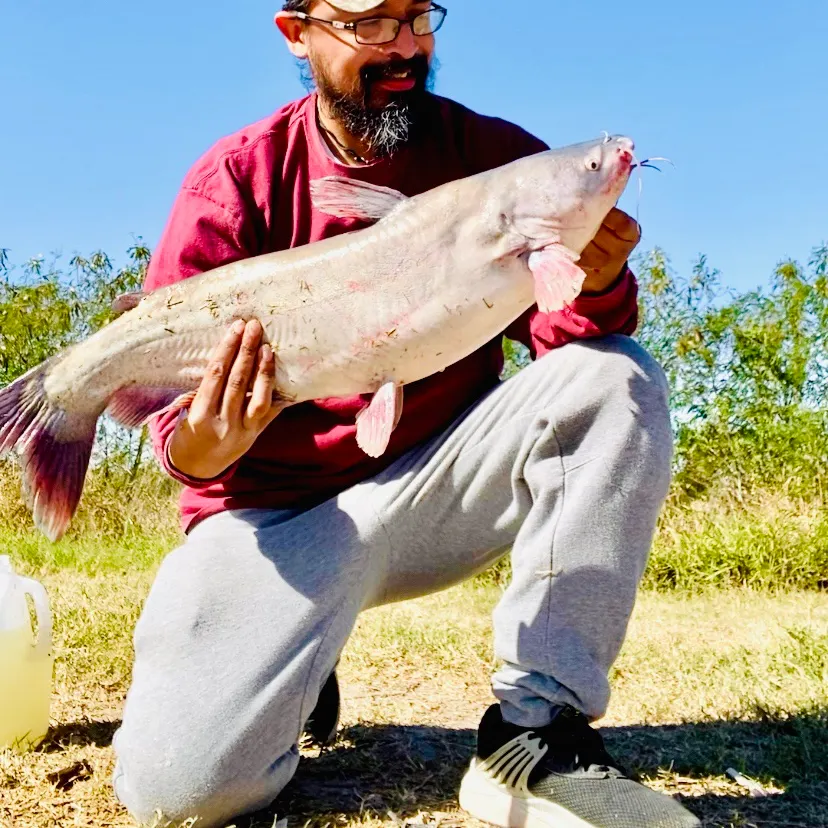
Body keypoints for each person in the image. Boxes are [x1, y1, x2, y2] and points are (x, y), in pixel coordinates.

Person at [111, 2, 700, 826]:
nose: (406, 48)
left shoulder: (497, 161)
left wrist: (599, 283)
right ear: (298, 32)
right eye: (372, 23)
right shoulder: (235, 179)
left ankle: (536, 738)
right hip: (275, 523)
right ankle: (296, 658)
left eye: (420, 18)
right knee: (180, 795)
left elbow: (568, 349)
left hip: (435, 485)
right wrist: (209, 441)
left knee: (615, 379)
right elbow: (179, 438)